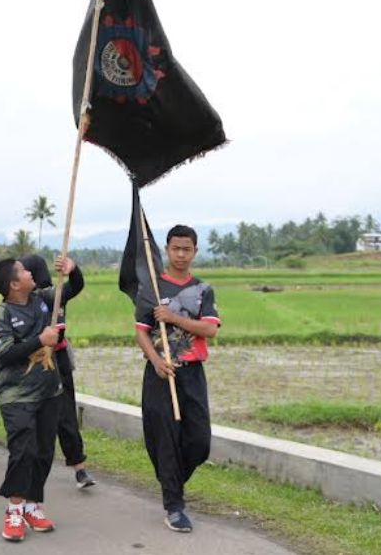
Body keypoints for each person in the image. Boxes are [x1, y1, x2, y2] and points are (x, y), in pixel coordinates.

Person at [133, 225, 220, 533]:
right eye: (175, 249)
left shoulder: (203, 289)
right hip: (160, 372)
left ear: (195, 251)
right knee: (165, 438)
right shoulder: (152, 288)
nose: (181, 254)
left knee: (199, 441)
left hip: (192, 372)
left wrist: (173, 318)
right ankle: (174, 505)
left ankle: (171, 484)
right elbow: (141, 330)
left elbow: (209, 329)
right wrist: (155, 361)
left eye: (187, 249)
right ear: (166, 251)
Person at [0, 257, 70, 541]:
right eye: (23, 271)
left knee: (45, 450)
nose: (30, 272)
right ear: (13, 284)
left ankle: (34, 505)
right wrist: (40, 340)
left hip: (49, 391)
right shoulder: (1, 314)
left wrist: (73, 270)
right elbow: (5, 354)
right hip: (17, 395)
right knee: (24, 450)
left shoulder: (43, 299)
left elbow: (74, 288)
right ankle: (14, 509)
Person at [20, 254, 95, 489]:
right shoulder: (20, 301)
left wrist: (73, 270)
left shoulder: (53, 296)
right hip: (34, 361)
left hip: (58, 359)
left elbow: (77, 285)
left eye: (25, 270)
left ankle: (79, 467)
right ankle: (28, 467)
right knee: (32, 415)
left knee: (66, 414)